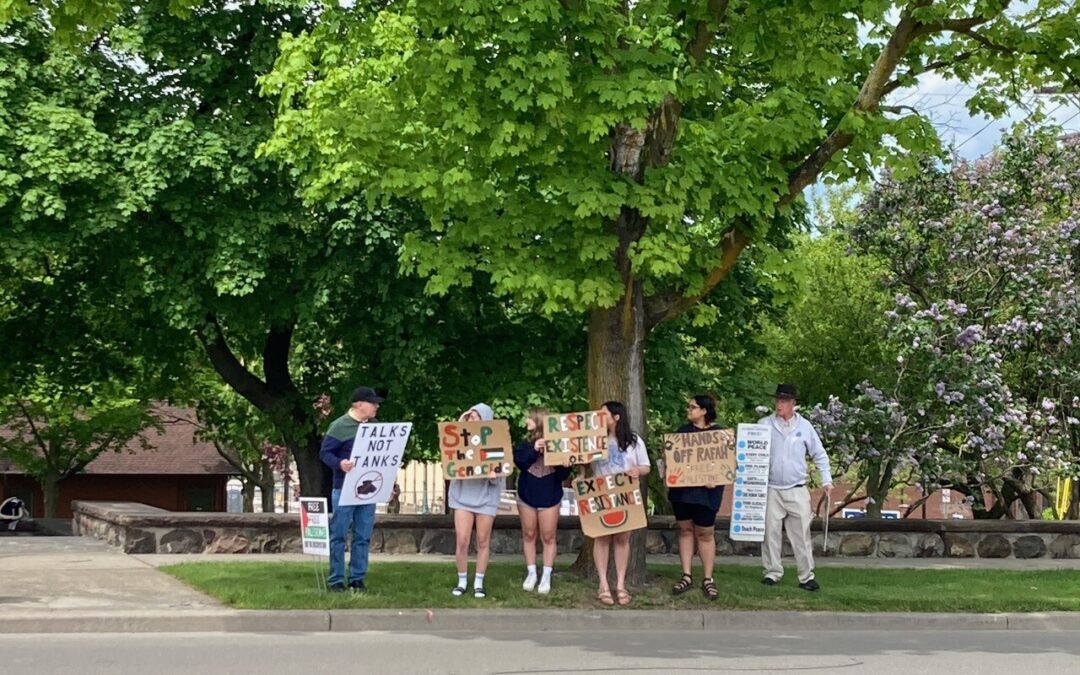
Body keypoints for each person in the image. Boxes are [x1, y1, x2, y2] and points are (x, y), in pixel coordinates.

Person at [758, 383, 833, 591]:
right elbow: (752, 452)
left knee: (801, 533)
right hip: (771, 487)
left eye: (783, 401)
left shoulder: (805, 427)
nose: (779, 405)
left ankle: (806, 575)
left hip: (797, 488)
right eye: (777, 400)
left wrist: (826, 480)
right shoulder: (764, 424)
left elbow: (819, 454)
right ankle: (772, 572)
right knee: (770, 532)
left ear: (793, 404)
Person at [318, 386, 385, 593]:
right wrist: (340, 464)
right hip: (343, 487)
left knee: (362, 535)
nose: (376, 406)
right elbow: (325, 453)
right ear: (358, 404)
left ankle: (357, 578)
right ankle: (336, 579)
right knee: (338, 534)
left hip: (369, 489)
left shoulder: (376, 427)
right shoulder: (339, 426)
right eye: (372, 403)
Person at [589, 400, 651, 606]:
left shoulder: (634, 441)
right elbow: (581, 461)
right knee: (602, 537)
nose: (600, 418)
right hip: (601, 492)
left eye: (604, 414)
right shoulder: (594, 439)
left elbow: (646, 466)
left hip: (626, 494)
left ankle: (621, 584)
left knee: (623, 538)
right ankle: (603, 584)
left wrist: (637, 471)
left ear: (616, 417)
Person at [667, 394, 725, 600]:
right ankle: (686, 574)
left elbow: (726, 465)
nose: (688, 410)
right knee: (684, 530)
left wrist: (715, 479)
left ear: (704, 411)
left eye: (692, 407)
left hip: (708, 493)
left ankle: (708, 578)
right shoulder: (682, 433)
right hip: (682, 492)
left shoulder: (719, 434)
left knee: (705, 533)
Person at [448, 403, 505, 598]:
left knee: (483, 541)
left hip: (486, 497)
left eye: (476, 417)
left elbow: (500, 472)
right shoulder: (459, 442)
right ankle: (462, 580)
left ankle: (479, 582)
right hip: (463, 496)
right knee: (462, 540)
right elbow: (451, 464)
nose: (472, 420)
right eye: (469, 416)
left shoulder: (496, 442)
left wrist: (492, 475)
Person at [514, 407, 571, 594]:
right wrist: (534, 449)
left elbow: (562, 474)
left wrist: (564, 464)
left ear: (538, 420)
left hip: (550, 496)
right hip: (527, 495)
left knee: (548, 536)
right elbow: (520, 463)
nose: (526, 422)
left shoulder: (558, 443)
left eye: (529, 419)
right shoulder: (524, 444)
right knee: (529, 534)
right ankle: (531, 573)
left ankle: (547, 575)